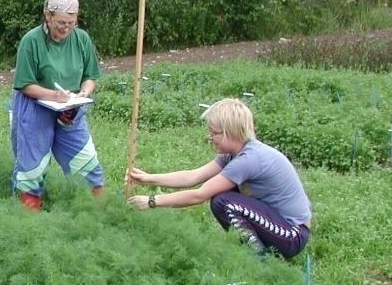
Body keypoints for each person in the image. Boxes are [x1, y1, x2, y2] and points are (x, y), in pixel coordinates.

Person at [126, 97, 311, 258]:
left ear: (231, 131)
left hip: (292, 235)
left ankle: (259, 261)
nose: (210, 137)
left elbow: (199, 195)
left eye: (214, 132)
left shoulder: (249, 159)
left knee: (224, 202)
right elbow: (194, 176)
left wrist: (152, 201)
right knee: (224, 195)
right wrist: (149, 178)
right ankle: (252, 254)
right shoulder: (233, 154)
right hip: (277, 224)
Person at [11, 0, 104, 209]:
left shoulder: (81, 39)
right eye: (61, 22)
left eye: (71, 23)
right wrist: (53, 95)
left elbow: (90, 76)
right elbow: (24, 83)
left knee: (88, 165)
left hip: (71, 109)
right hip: (35, 108)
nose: (66, 28)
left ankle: (98, 213)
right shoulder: (31, 41)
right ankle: (28, 217)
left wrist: (83, 93)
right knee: (31, 169)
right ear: (48, 16)